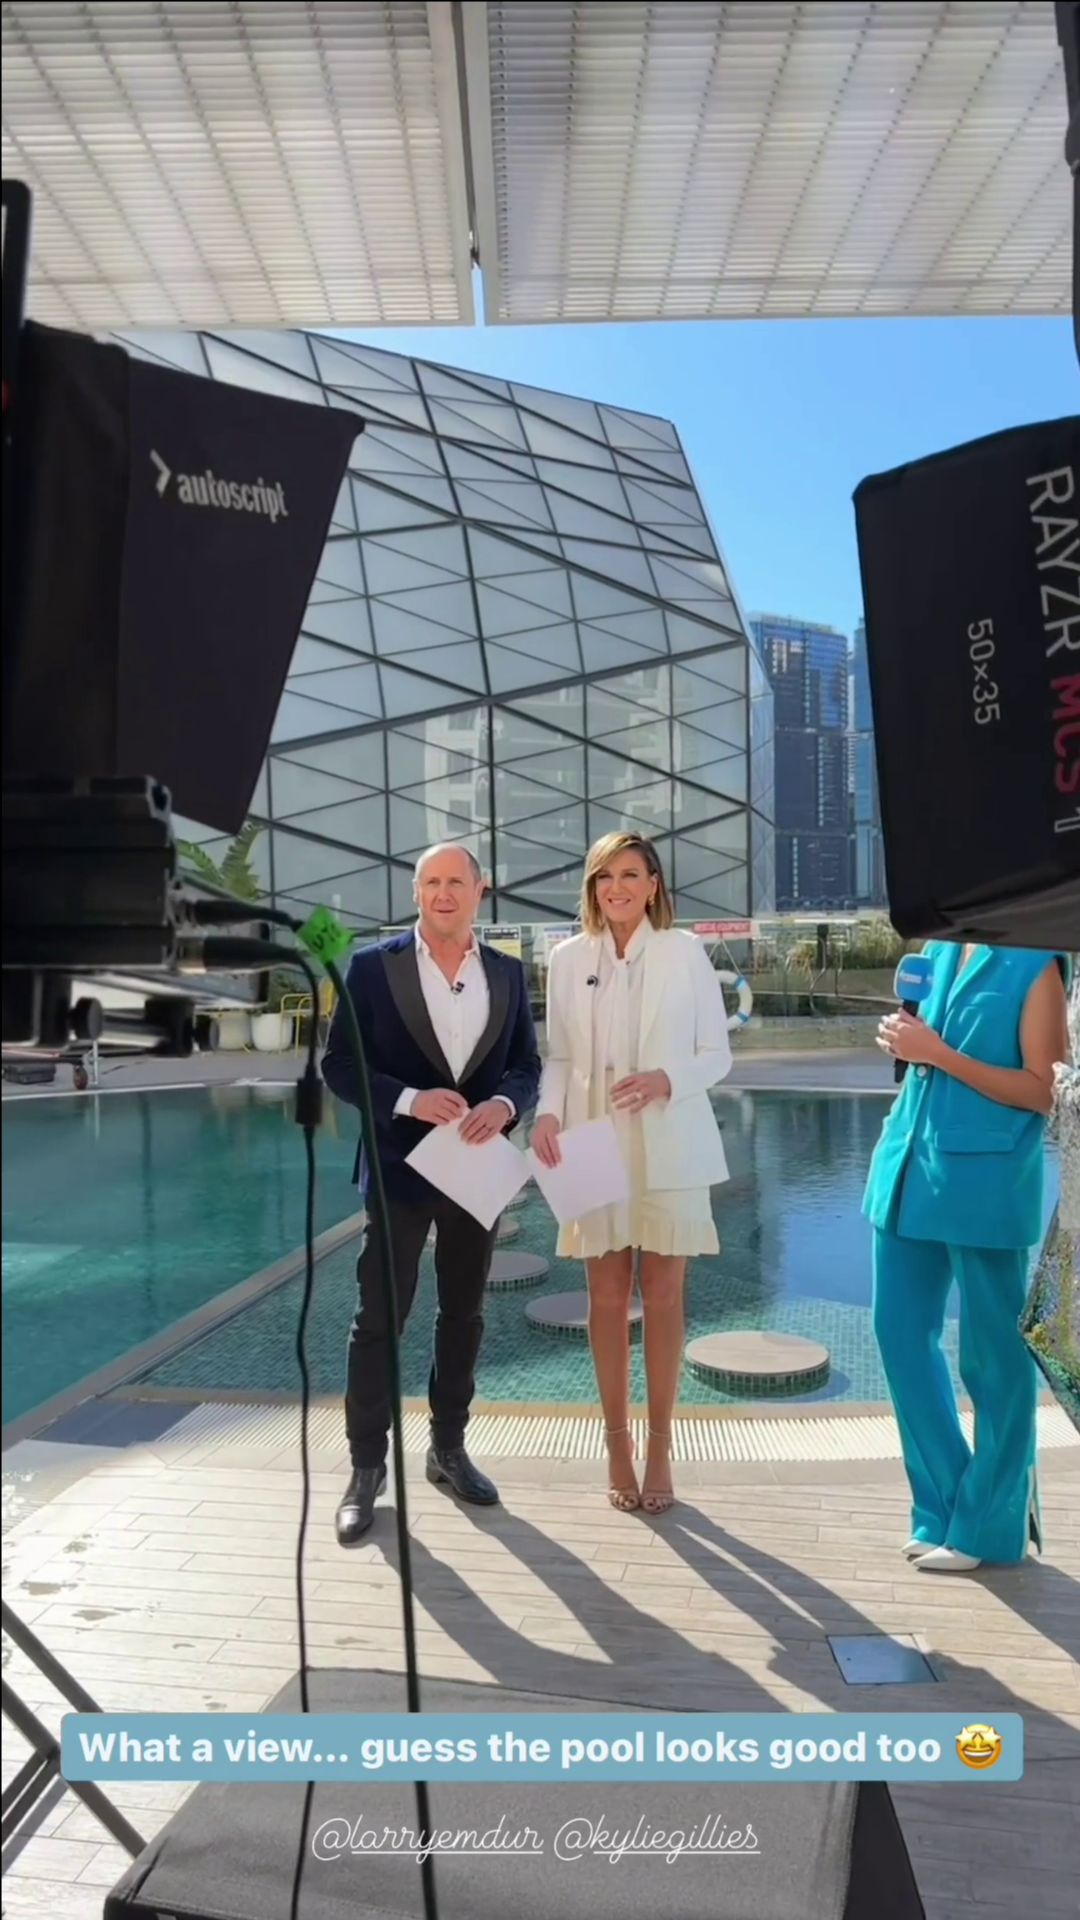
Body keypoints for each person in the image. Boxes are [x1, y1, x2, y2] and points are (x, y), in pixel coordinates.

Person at [322, 844, 541, 1544]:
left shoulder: (506, 971)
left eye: (456, 881)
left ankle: (448, 1450)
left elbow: (526, 1064)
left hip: (475, 1170)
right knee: (378, 1319)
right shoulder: (371, 967)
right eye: (431, 882)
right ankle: (365, 1470)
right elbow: (338, 1064)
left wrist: (505, 1105)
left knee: (464, 1314)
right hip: (398, 1168)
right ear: (416, 892)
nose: (444, 893)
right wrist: (409, 1099)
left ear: (481, 890)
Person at [532, 833, 732, 1515]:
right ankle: (616, 1445)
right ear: (592, 888)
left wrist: (665, 1079)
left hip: (670, 1138)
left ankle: (660, 1448)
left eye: (628, 875)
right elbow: (560, 1057)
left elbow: (717, 1054)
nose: (615, 887)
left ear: (653, 885)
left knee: (666, 1293)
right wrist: (547, 1114)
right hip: (593, 1138)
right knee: (607, 1295)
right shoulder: (567, 959)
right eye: (603, 876)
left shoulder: (685, 952)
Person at [866, 941, 1069, 1573]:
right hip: (905, 1170)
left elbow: (1045, 1089)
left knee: (993, 1359)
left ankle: (992, 1526)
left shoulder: (1036, 963)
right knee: (898, 1334)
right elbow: (923, 1057)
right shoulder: (937, 948)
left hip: (985, 1184)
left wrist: (938, 1054)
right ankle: (944, 1505)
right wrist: (906, 1042)